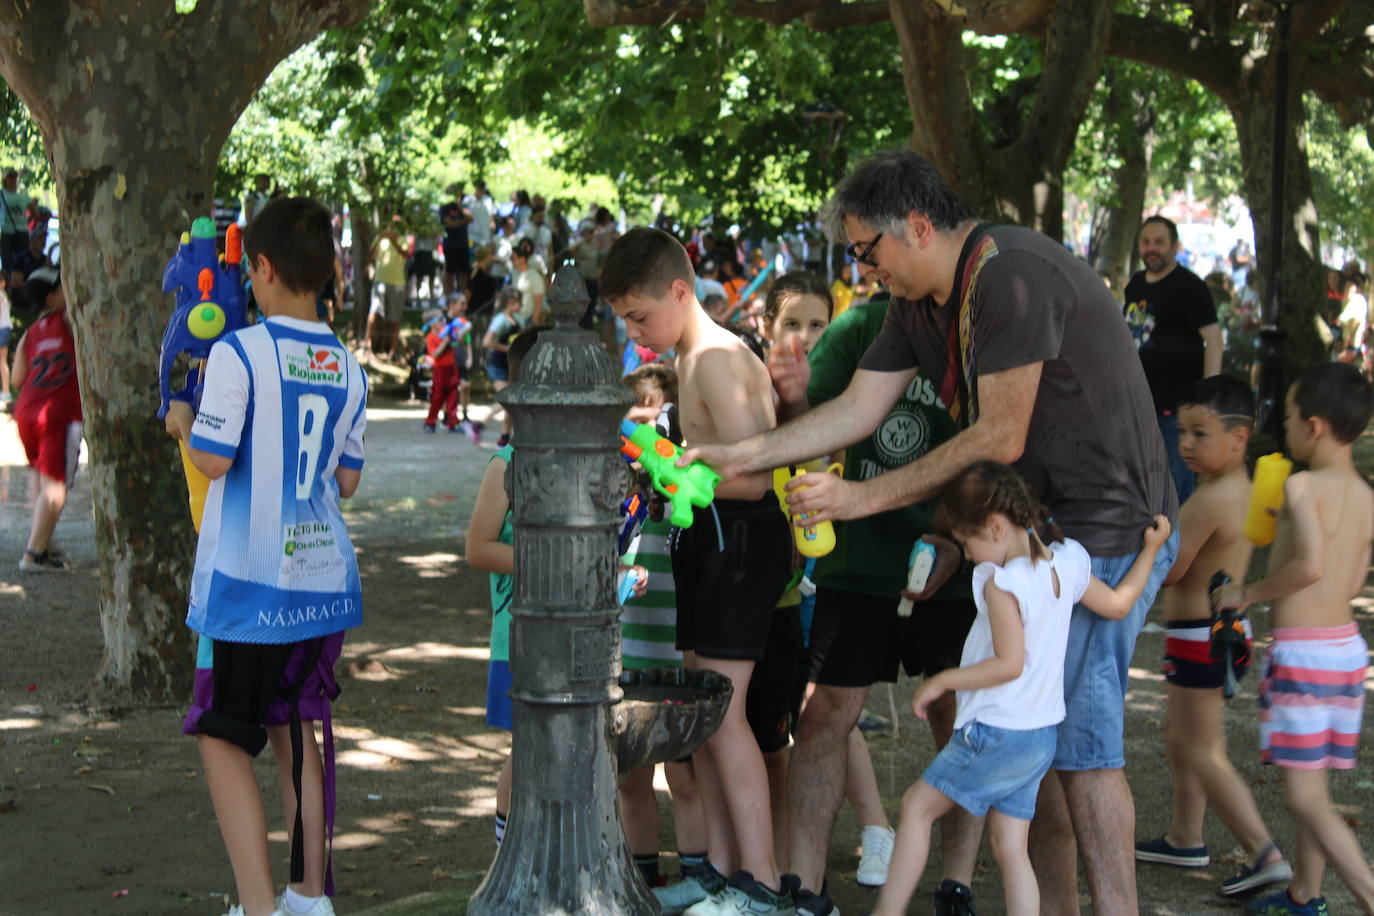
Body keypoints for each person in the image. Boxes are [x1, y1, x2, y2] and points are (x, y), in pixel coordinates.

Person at [681, 151, 1179, 915]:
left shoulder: (1009, 275)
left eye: (865, 251)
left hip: (1106, 531)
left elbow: (1000, 435)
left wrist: (859, 498)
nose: (863, 269)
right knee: (1042, 754)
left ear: (915, 227)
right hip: (1037, 531)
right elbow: (854, 410)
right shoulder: (916, 305)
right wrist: (734, 454)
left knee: (1080, 754)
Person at [169, 197, 367, 916]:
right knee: (298, 729)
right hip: (322, 578)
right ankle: (308, 899)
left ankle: (258, 907)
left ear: (260, 267)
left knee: (222, 736)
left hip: (249, 582)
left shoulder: (238, 351)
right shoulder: (346, 362)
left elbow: (214, 461)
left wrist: (184, 419)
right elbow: (347, 478)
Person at [768, 271, 981, 916]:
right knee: (827, 716)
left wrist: (963, 543)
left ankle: (957, 886)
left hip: (954, 560)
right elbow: (810, 424)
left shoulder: (975, 332)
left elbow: (1002, 443)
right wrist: (796, 398)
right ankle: (803, 887)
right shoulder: (861, 327)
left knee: (959, 719)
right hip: (857, 565)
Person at [873, 461, 1172, 916]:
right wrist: (1151, 549)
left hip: (996, 732)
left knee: (916, 808)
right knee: (1010, 847)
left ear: (995, 527)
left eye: (967, 542)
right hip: (1039, 737)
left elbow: (1009, 664)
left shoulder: (1004, 584)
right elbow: (1118, 602)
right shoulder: (1067, 561)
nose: (968, 555)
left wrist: (943, 680)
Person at [603, 227, 794, 915]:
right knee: (707, 714)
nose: (634, 330)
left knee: (726, 715)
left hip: (740, 543)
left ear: (680, 291)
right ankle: (719, 868)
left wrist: (681, 464)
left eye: (639, 314)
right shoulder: (692, 356)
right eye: (625, 318)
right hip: (713, 542)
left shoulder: (713, 358)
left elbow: (758, 472)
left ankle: (762, 883)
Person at [1214, 363, 1374, 916]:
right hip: (1346, 652)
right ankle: (1305, 895)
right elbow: (1351, 581)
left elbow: (1309, 567)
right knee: (1317, 793)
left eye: (1286, 417)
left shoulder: (1304, 486)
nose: (1281, 427)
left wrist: (1249, 592)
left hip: (1305, 655)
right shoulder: (1365, 494)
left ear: (1315, 426)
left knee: (1305, 798)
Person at [1133, 375, 1292, 897]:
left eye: (1201, 434)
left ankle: (1264, 852)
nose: (1186, 444)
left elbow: (1173, 571)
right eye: (1183, 432)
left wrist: (1151, 539)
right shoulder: (1244, 491)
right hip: (1215, 632)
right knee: (1182, 739)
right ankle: (1184, 837)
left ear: (1239, 437)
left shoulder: (1209, 501)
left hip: (1201, 635)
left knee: (1202, 750)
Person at [616, 365, 712, 914]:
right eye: (638, 414)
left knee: (685, 771)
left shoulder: (692, 485)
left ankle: (697, 872)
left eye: (662, 413)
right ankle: (643, 875)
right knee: (632, 773)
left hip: (679, 645)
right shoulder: (615, 482)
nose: (651, 424)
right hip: (629, 645)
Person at [1123, 215, 1223, 504]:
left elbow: (1214, 340)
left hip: (1179, 408)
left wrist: (1209, 394)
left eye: (1159, 242)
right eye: (1146, 242)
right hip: (1139, 404)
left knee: (1177, 488)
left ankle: (1177, 547)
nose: (1151, 248)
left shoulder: (1191, 287)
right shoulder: (1135, 285)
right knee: (1142, 484)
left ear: (1175, 246)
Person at [11, 267, 81, 572]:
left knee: (41, 477)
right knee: (57, 484)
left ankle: (44, 541)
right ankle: (33, 554)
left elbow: (16, 379)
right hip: (59, 412)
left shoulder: (29, 333)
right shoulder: (69, 321)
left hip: (27, 411)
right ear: (52, 296)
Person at [482, 289, 525, 448]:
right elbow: (487, 342)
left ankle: (504, 439)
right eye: (519, 302)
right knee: (507, 399)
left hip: (510, 365)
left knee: (510, 405)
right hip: (497, 364)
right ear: (510, 303)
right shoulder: (500, 321)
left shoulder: (518, 319)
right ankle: (480, 422)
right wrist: (506, 348)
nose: (521, 305)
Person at [364, 217, 407, 362]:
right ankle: (367, 347)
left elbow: (405, 254)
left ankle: (392, 352)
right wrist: (380, 238)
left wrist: (393, 240)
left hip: (397, 283)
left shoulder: (403, 239)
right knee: (374, 312)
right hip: (380, 281)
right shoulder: (380, 238)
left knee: (395, 319)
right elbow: (370, 255)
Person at [439, 184, 472, 295]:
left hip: (463, 243)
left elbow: (471, 217)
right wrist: (463, 221)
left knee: (464, 271)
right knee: (449, 272)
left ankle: (462, 295)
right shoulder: (444, 207)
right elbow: (450, 223)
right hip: (450, 244)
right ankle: (449, 296)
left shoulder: (462, 205)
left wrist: (460, 208)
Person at [0, 168, 32, 280]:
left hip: (22, 232)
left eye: (15, 175)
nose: (13, 179)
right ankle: (7, 287)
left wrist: (25, 222)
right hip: (7, 232)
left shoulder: (23, 194)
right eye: (10, 176)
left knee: (22, 263)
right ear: (5, 179)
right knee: (7, 264)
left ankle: (22, 286)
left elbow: (34, 211)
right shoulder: (1, 194)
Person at [511, 239, 546, 324]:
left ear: (522, 259)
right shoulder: (514, 273)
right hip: (515, 318)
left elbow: (538, 302)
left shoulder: (534, 276)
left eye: (513, 258)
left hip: (527, 319)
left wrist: (534, 321)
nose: (511, 261)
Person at [0, 270, 12, 403]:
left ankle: (6, 391)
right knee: (2, 361)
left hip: (1, 329)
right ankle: (6, 392)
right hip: (6, 328)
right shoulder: (4, 295)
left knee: (2, 361)